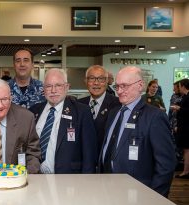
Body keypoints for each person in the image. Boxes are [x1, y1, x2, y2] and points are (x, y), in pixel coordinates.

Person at [99, 66, 176, 197]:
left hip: (138, 193)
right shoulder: (113, 113)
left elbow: (166, 165)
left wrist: (154, 197)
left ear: (140, 85)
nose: (119, 91)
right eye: (117, 86)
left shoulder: (154, 117)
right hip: (107, 188)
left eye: (125, 86)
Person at [29, 68, 98, 174]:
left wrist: (86, 182)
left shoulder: (81, 112)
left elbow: (89, 154)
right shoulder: (34, 111)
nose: (53, 90)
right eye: (48, 86)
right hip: (35, 178)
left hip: (68, 181)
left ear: (67, 87)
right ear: (43, 89)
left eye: (58, 85)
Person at [78, 65, 120, 153]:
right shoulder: (78, 105)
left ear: (107, 81)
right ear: (86, 81)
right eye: (92, 78)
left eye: (101, 79)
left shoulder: (118, 105)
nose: (96, 83)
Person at [172, 78, 189, 179]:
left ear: (183, 86)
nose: (178, 88)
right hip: (184, 127)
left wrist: (179, 108)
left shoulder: (188, 97)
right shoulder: (185, 97)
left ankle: (186, 171)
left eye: (179, 86)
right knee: (186, 150)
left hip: (187, 128)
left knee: (187, 150)